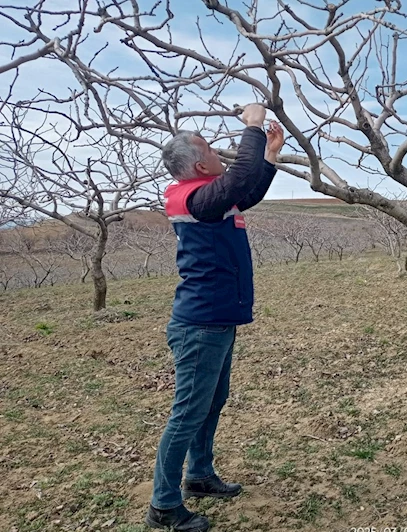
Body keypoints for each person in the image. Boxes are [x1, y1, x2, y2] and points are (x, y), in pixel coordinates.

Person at [146, 104, 284, 531]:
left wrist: (270, 156)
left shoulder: (207, 197)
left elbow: (248, 191)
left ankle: (200, 475)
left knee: (211, 402)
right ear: (199, 164)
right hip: (200, 325)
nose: (217, 151)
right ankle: (163, 506)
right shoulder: (196, 198)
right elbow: (240, 178)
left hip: (215, 320)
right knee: (188, 412)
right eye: (208, 148)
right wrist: (253, 126)